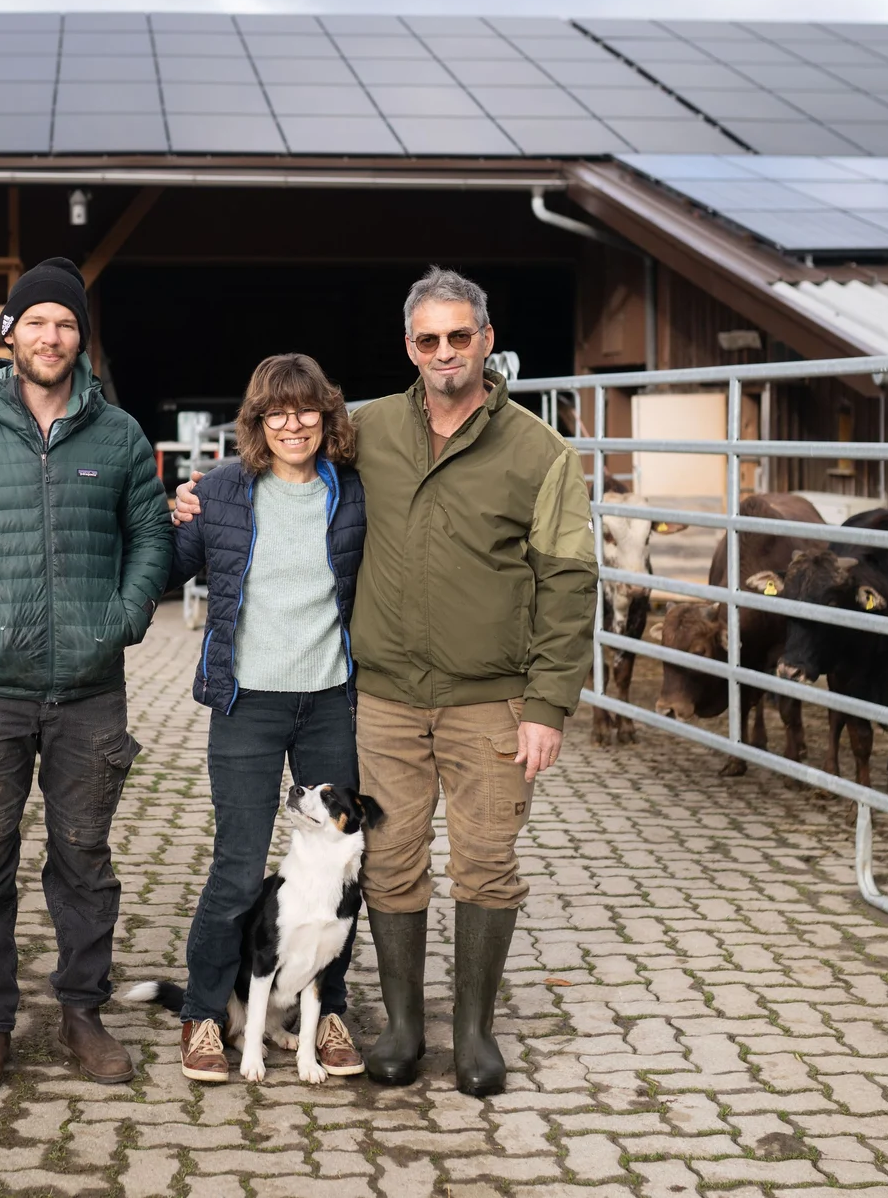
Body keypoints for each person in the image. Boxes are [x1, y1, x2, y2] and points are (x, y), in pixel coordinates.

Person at [173, 267, 596, 1097]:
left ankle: (467, 1032)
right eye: (429, 338)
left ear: (486, 338)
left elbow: (571, 582)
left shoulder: (539, 452)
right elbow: (224, 513)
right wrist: (183, 505)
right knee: (373, 862)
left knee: (483, 861)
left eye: (460, 335)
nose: (445, 351)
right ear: (409, 346)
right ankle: (384, 1026)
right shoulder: (369, 435)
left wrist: (548, 704)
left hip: (476, 696)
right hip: (377, 698)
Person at [0, 255, 173, 1094]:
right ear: (9, 332)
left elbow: (152, 535)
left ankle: (83, 1014)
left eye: (67, 323)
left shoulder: (117, 435)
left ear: (82, 337)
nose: (52, 336)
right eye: (37, 321)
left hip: (90, 693)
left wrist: (124, 616)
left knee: (85, 862)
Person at [164, 353, 368, 1084]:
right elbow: (166, 567)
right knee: (239, 867)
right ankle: (202, 1013)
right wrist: (168, 509)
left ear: (326, 415)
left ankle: (329, 1008)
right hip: (247, 702)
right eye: (275, 412)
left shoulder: (351, 490)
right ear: (255, 421)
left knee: (342, 865)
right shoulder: (222, 490)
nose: (292, 424)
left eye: (306, 408)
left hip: (329, 700)